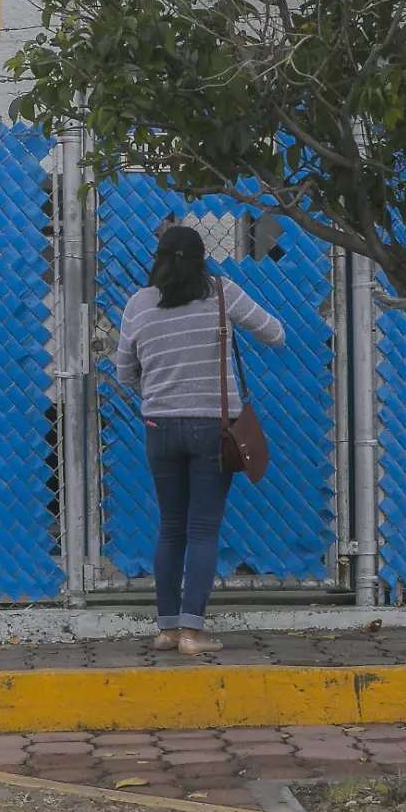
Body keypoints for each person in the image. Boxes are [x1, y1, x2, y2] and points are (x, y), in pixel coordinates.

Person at [113, 225, 286, 655]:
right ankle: (193, 633)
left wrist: (159, 395)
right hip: (215, 428)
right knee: (203, 530)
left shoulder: (138, 303)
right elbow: (275, 333)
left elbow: (124, 373)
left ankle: (167, 629)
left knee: (171, 529)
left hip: (160, 429)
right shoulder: (221, 292)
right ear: (201, 259)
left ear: (157, 260)